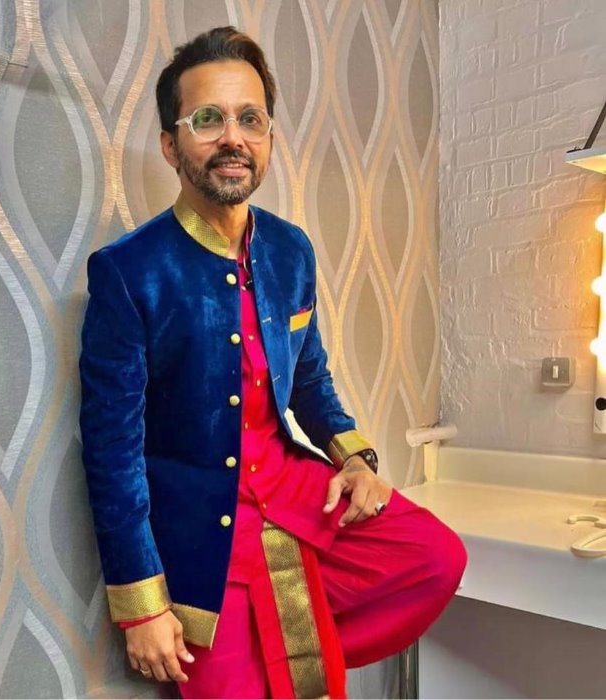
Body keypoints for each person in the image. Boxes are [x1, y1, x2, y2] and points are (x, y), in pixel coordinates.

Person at [79, 26, 466, 699]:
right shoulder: (129, 271)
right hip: (201, 531)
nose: (233, 137)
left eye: (250, 119)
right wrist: (139, 603)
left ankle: (280, 639)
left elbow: (309, 379)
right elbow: (113, 450)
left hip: (293, 492)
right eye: (208, 119)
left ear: (269, 138)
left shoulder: (291, 250)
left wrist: (356, 459)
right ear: (171, 144)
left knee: (435, 558)